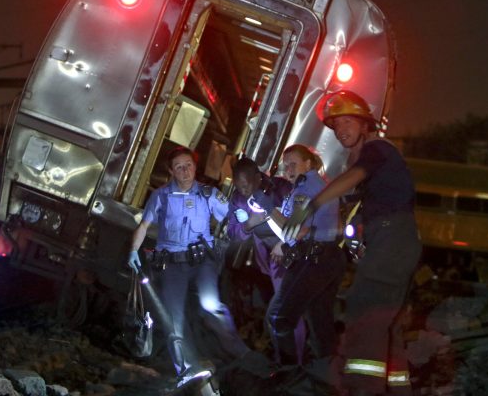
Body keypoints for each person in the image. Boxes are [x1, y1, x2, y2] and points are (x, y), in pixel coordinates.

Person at [283, 90, 422, 396]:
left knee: (365, 309)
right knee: (389, 318)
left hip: (392, 238)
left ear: (365, 124)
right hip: (394, 239)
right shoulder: (371, 159)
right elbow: (355, 200)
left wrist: (313, 203)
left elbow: (355, 177)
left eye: (347, 121)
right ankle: (397, 388)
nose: (341, 129)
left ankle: (363, 388)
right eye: (336, 126)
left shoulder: (376, 150)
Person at [127, 146, 249, 386]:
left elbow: (232, 214)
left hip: (202, 261)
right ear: (171, 171)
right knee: (173, 319)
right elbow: (143, 226)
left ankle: (242, 354)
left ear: (195, 166)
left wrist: (243, 216)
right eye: (179, 167)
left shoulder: (207, 193)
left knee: (210, 305)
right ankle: (187, 369)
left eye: (188, 165)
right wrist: (132, 251)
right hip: (173, 264)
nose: (185, 171)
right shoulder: (161, 196)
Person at [266, 144, 345, 366]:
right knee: (320, 324)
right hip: (327, 259)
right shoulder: (310, 185)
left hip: (313, 261)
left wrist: (267, 208)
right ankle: (328, 378)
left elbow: (295, 229)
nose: (288, 169)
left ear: (308, 164)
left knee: (279, 319)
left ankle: (288, 374)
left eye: (293, 164)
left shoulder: (306, 188)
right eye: (286, 165)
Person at [226, 157, 307, 361]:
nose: (243, 191)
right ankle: (287, 359)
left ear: (258, 177)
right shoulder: (238, 199)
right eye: (239, 187)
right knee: (282, 309)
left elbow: (302, 217)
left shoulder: (281, 188)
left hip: (296, 252)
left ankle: (296, 359)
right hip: (272, 260)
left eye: (246, 186)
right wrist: (248, 225)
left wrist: (285, 242)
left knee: (287, 309)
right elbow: (234, 232)